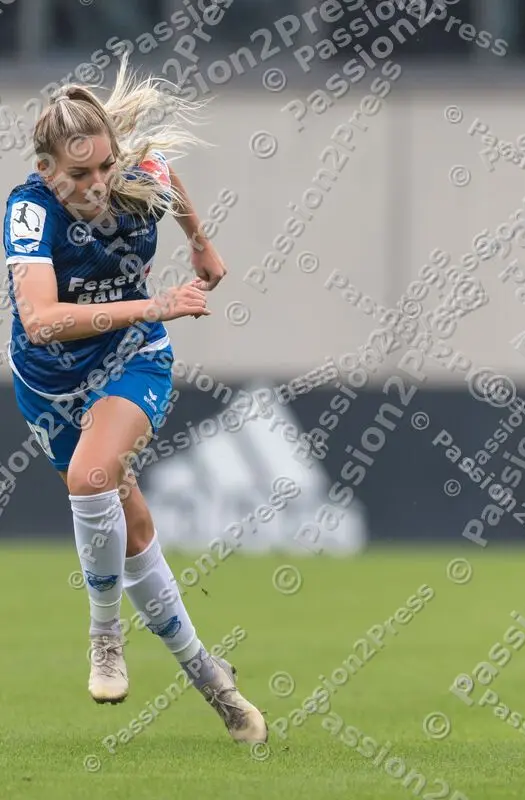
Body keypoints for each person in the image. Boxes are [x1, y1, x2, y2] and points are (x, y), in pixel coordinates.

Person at [3, 55, 267, 745]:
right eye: (80, 174)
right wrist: (154, 300)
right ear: (48, 170)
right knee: (136, 528)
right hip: (50, 381)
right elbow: (40, 319)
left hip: (132, 357)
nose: (96, 186)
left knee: (92, 480)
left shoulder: (133, 176)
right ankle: (211, 679)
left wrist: (202, 244)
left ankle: (104, 636)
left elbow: (166, 177)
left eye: (104, 169)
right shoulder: (28, 211)